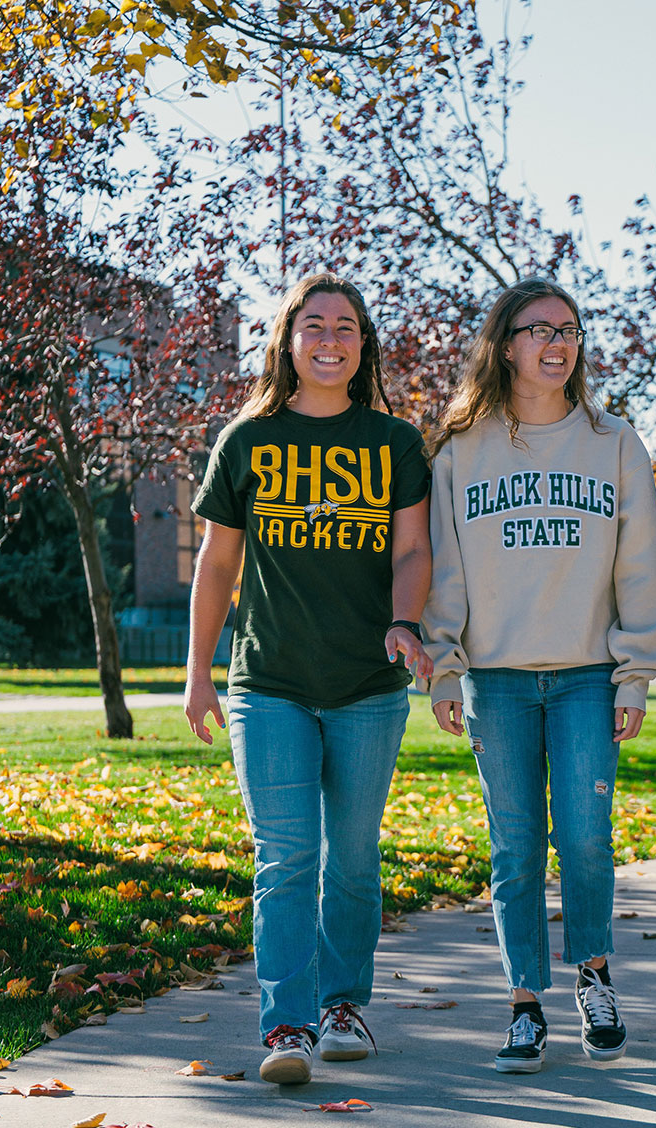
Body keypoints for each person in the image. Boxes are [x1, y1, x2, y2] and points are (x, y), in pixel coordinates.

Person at [182, 274, 432, 1086]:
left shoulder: (394, 444)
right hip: (270, 684)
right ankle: (286, 1025)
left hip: (369, 686)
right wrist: (197, 674)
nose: (331, 340)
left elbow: (413, 550)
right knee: (286, 859)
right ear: (288, 341)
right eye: (314, 325)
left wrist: (404, 621)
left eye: (346, 326)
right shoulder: (247, 442)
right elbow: (217, 564)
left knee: (352, 859)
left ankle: (342, 1007)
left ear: (364, 345)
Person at [422, 278, 656, 1074]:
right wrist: (443, 667)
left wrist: (636, 674)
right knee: (516, 847)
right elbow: (444, 571)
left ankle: (594, 979)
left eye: (568, 330)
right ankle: (525, 1003)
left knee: (587, 838)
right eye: (540, 330)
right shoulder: (461, 450)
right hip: (495, 680)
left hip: (587, 676)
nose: (558, 343)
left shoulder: (613, 441)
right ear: (505, 346)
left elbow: (642, 567)